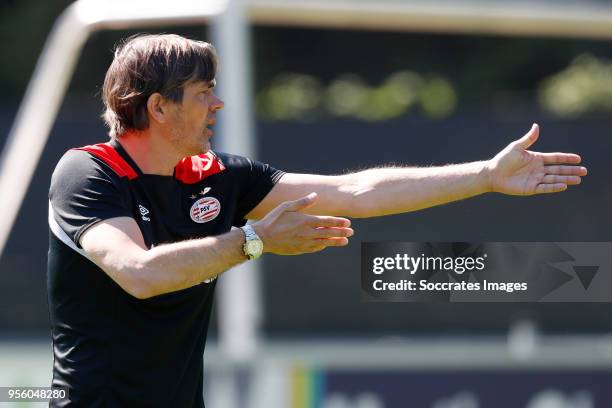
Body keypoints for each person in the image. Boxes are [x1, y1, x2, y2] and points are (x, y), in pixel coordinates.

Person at [47, 33, 587, 407]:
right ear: (159, 108)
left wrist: (486, 175)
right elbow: (139, 273)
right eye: (203, 92)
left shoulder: (215, 174)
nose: (219, 104)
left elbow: (355, 191)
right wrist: (253, 240)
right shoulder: (87, 172)